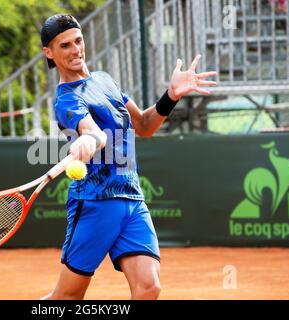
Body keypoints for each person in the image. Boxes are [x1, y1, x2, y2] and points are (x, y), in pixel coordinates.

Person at [40, 14, 217, 300]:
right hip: (96, 204)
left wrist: (171, 95)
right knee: (67, 297)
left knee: (149, 287)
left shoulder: (105, 81)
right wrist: (87, 139)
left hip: (132, 199)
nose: (76, 50)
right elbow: (90, 130)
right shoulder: (66, 99)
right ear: (49, 53)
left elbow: (144, 125)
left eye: (78, 41)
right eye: (65, 46)